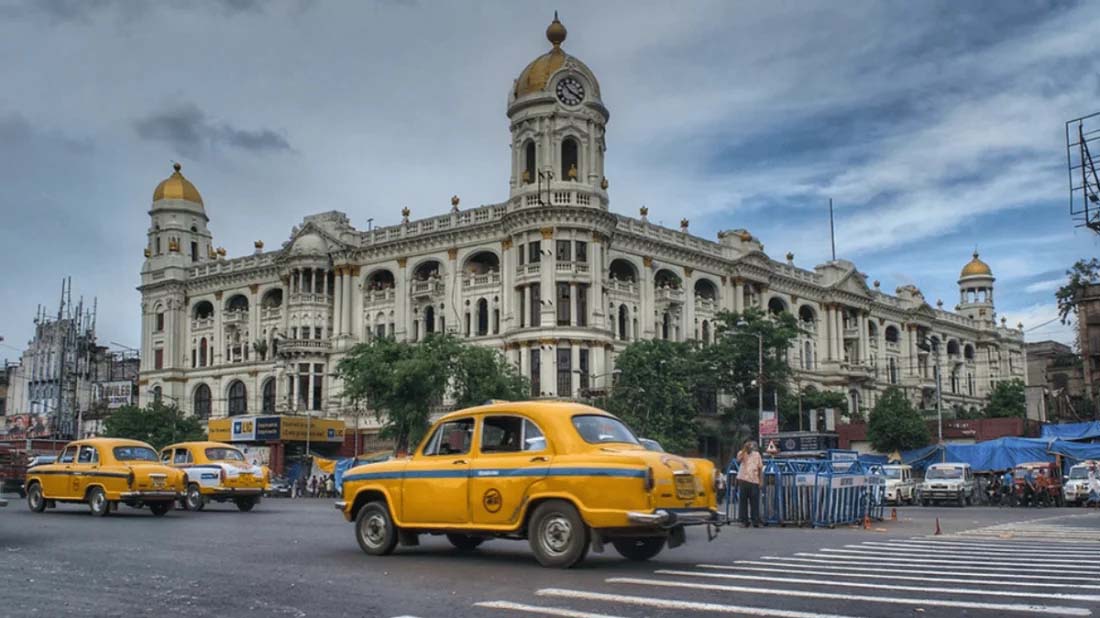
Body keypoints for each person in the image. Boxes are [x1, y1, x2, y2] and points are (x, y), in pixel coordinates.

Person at [736, 441, 764, 528]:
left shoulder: (757, 455)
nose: (749, 448)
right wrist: (744, 449)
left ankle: (755, 520)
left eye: (750, 446)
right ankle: (744, 521)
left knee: (754, 502)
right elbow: (738, 460)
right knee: (743, 501)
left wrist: (761, 481)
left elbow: (760, 468)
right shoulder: (742, 453)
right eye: (748, 446)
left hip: (754, 480)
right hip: (743, 479)